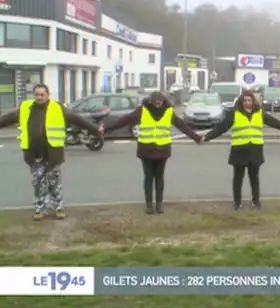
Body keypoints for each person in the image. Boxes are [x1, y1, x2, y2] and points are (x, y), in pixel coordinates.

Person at [0, 84, 100, 220]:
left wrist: (95, 129)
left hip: (53, 153)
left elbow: (77, 119)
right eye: (37, 94)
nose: (39, 97)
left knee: (54, 182)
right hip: (33, 153)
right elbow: (7, 119)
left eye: (42, 94)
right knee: (38, 182)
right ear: (33, 95)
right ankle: (39, 209)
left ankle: (58, 207)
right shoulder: (25, 107)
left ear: (48, 95)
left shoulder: (57, 107)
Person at [98, 91, 202, 214]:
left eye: (159, 102)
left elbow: (124, 120)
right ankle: (155, 205)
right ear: (153, 101)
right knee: (157, 178)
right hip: (158, 149)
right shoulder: (163, 111)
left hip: (149, 149)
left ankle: (153, 206)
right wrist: (197, 138)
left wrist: (106, 128)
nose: (158, 104)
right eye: (156, 102)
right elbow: (182, 126)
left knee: (151, 177)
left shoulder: (144, 110)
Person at [203, 90, 280, 210]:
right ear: (241, 101)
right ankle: (237, 203)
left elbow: (274, 122)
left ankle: (256, 202)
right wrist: (206, 137)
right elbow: (221, 128)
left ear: (253, 101)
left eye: (249, 100)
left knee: (254, 178)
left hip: (255, 150)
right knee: (238, 178)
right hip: (239, 150)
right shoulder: (234, 113)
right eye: (244, 100)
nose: (247, 103)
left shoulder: (259, 113)